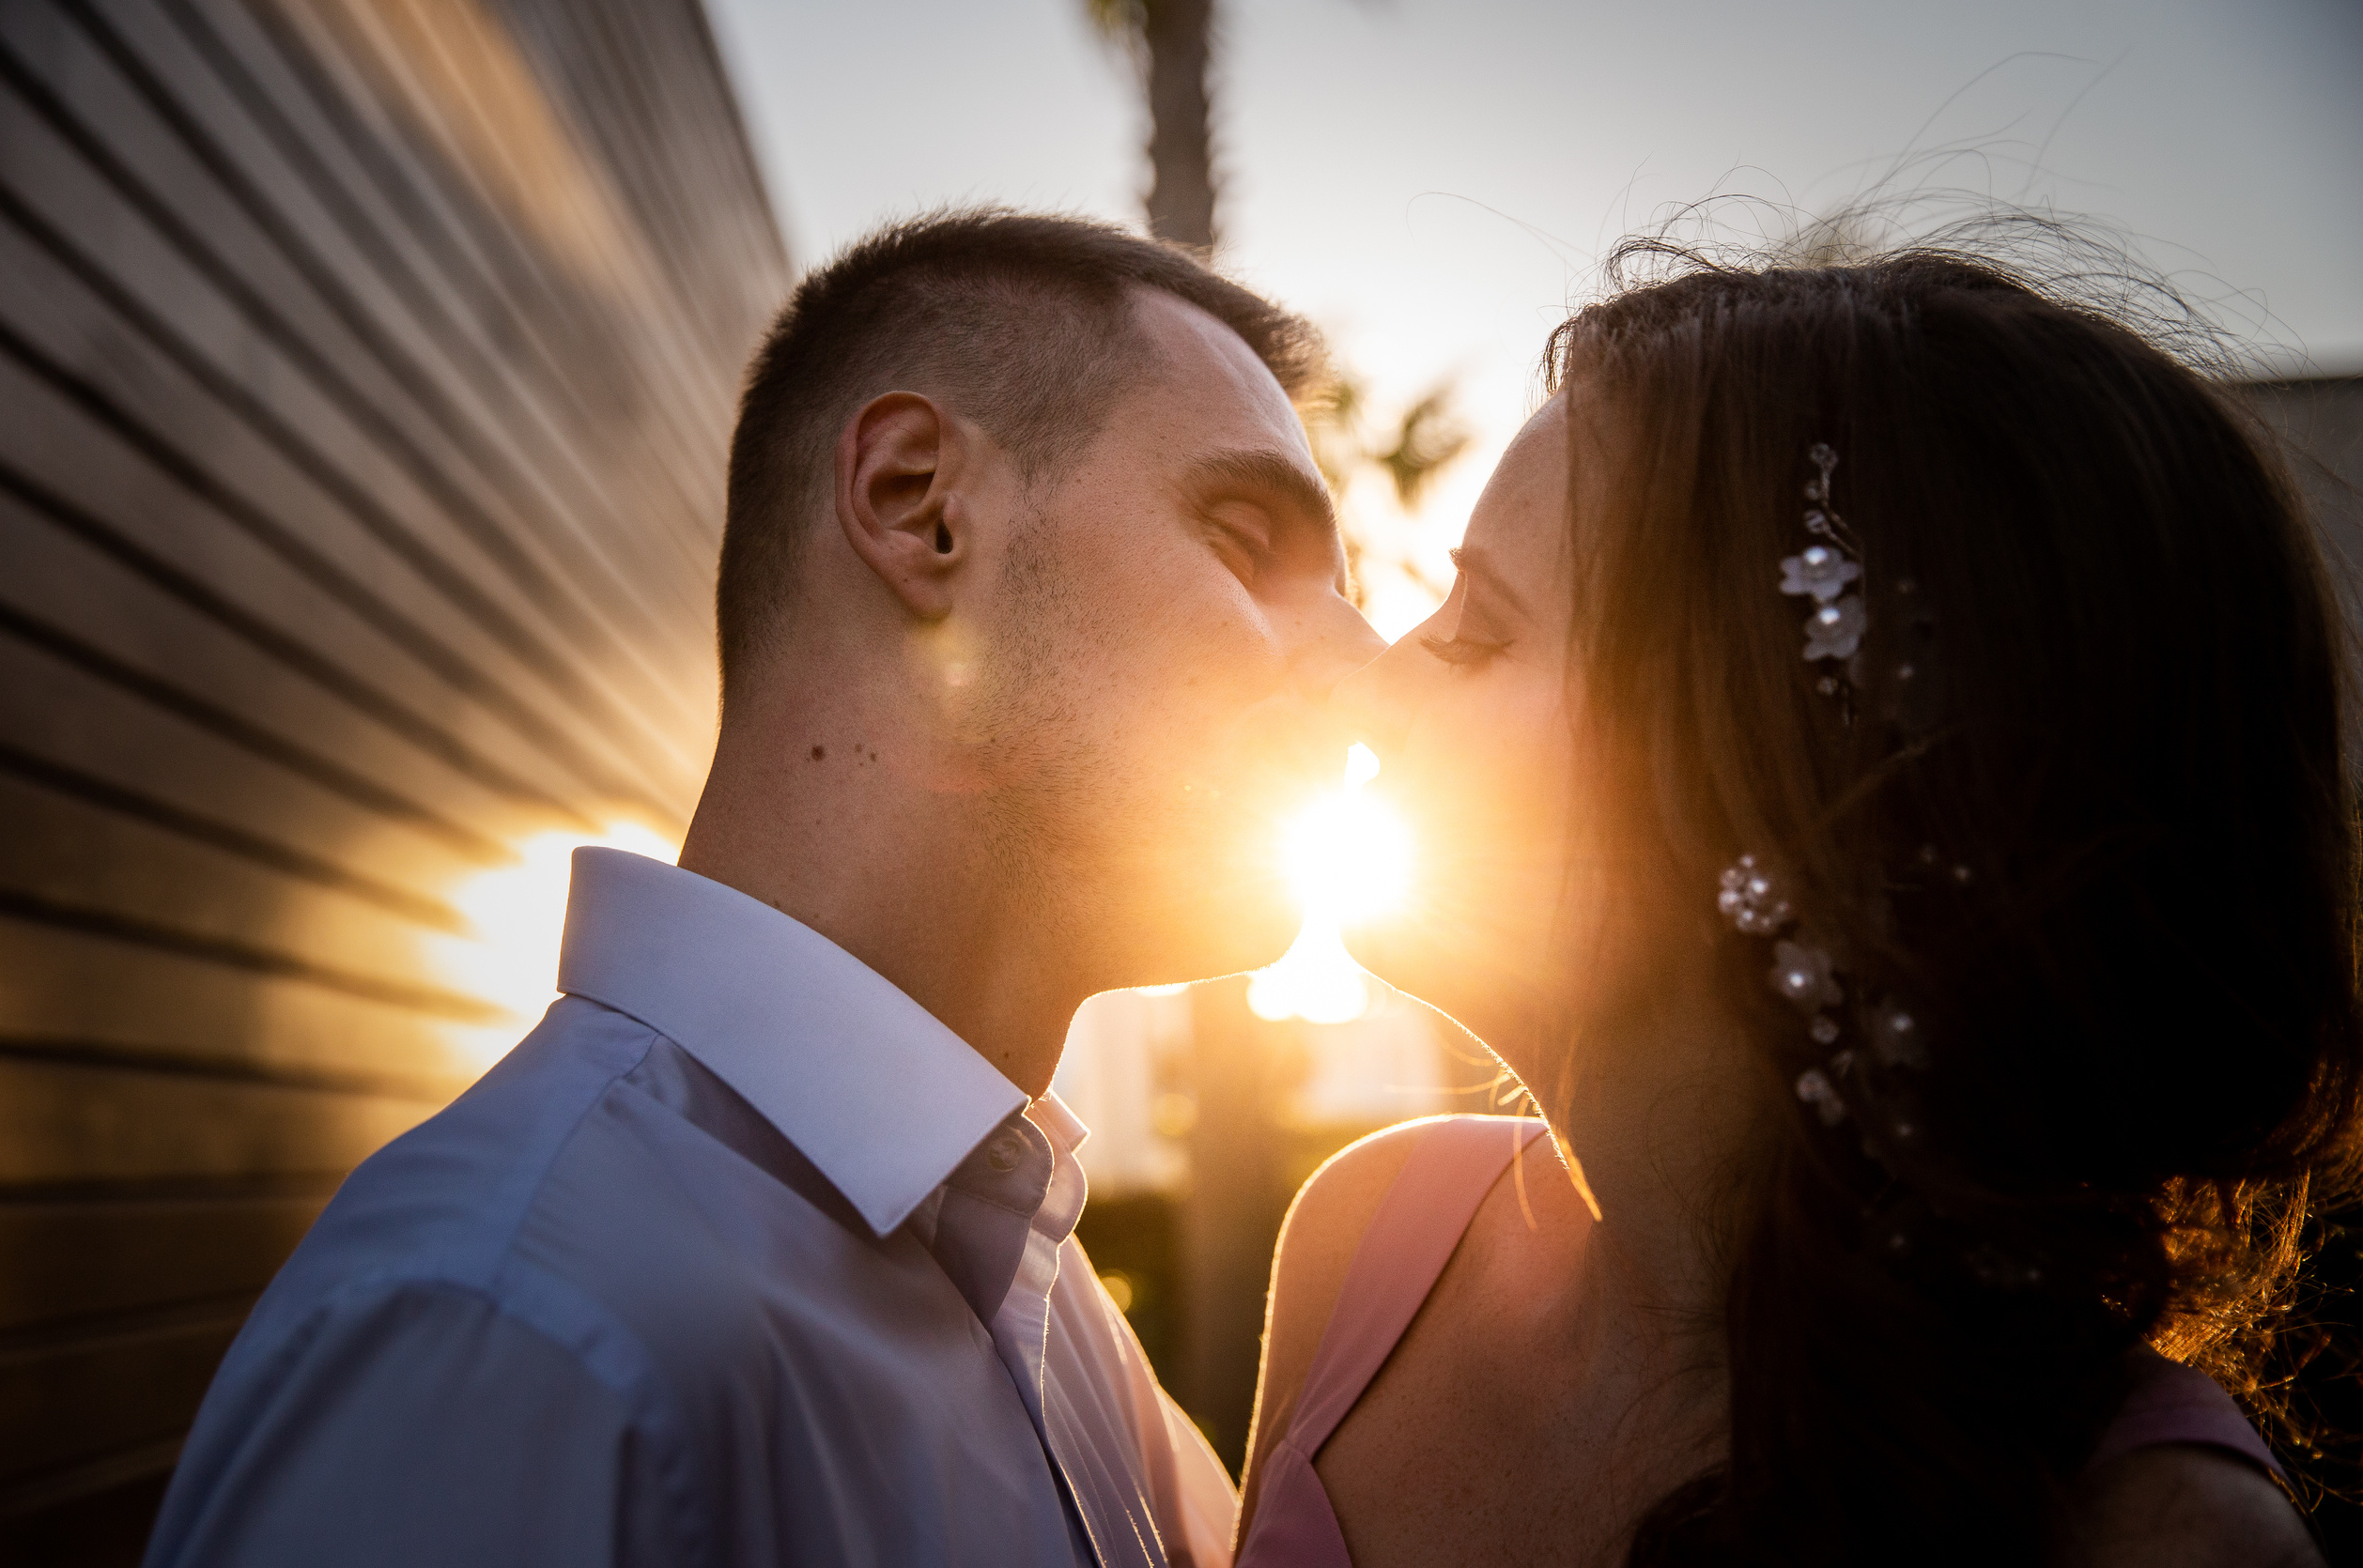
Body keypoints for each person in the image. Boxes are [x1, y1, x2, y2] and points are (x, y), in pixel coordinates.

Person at [145, 210, 1381, 1568]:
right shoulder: (505, 1332)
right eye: (1244, 537)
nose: (1361, 663)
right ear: (921, 507)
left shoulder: (1037, 1288)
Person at [1236, 245, 2358, 1567]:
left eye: (1480, 630)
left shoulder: (2156, 1537)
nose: (1372, 686)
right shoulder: (1370, 1243)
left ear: (1777, 778)